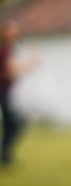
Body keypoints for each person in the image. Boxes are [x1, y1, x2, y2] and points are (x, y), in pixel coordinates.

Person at [0, 19, 39, 167]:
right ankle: (5, 155)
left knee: (12, 124)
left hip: (6, 91)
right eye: (11, 29)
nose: (14, 33)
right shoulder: (4, 50)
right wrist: (30, 63)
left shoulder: (10, 49)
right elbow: (10, 73)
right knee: (15, 124)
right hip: (2, 91)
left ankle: (5, 156)